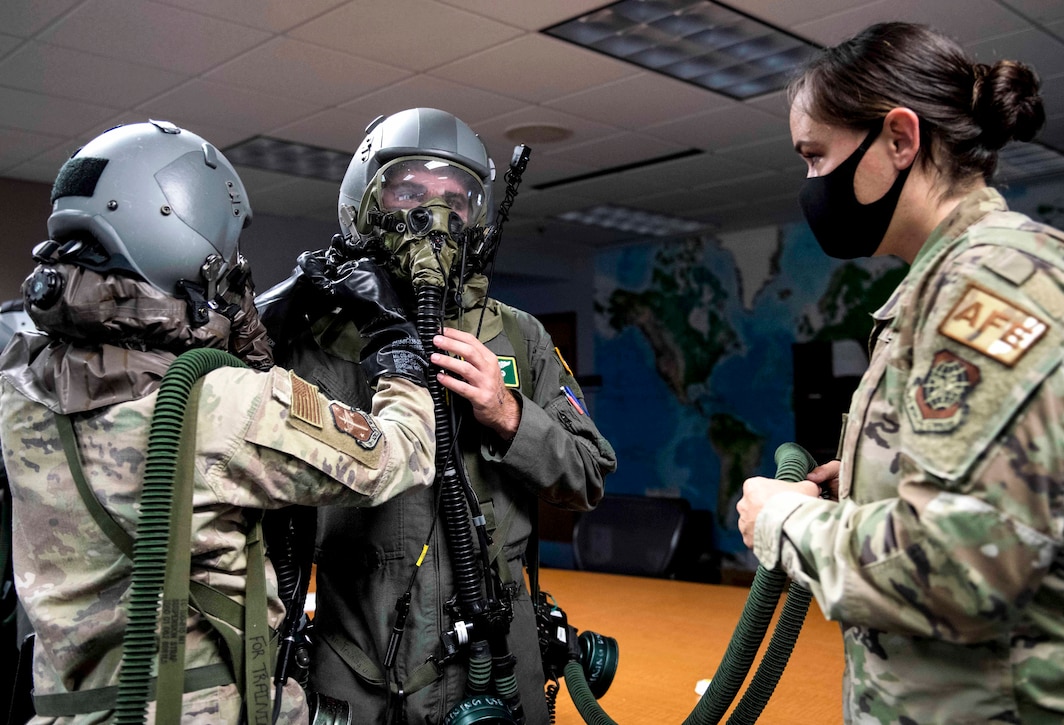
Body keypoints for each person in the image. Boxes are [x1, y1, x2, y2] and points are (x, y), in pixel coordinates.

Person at [1, 120, 437, 724]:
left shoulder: (16, 381)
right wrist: (397, 344)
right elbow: (401, 455)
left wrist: (256, 315)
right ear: (183, 240)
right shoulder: (218, 403)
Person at [736, 21, 1064, 724]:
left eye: (816, 156)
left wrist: (786, 520)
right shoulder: (935, 289)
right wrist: (866, 487)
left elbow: (963, 567)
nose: (812, 184)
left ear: (900, 139)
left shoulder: (997, 281)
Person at [258, 107, 617, 724]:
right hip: (363, 675)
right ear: (368, 204)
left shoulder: (518, 338)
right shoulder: (316, 341)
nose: (438, 216)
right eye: (411, 193)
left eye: (458, 197)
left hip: (500, 673)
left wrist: (507, 413)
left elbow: (587, 475)